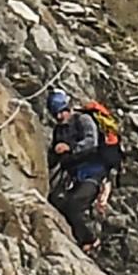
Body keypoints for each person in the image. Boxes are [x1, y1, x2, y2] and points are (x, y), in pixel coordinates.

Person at [44, 89, 113, 249]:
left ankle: (90, 240)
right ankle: (79, 236)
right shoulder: (59, 131)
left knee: (75, 205)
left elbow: (91, 142)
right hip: (74, 175)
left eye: (62, 112)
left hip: (94, 173)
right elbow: (54, 158)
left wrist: (70, 148)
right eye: (56, 114)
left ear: (68, 108)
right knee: (57, 201)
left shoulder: (84, 120)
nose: (60, 117)